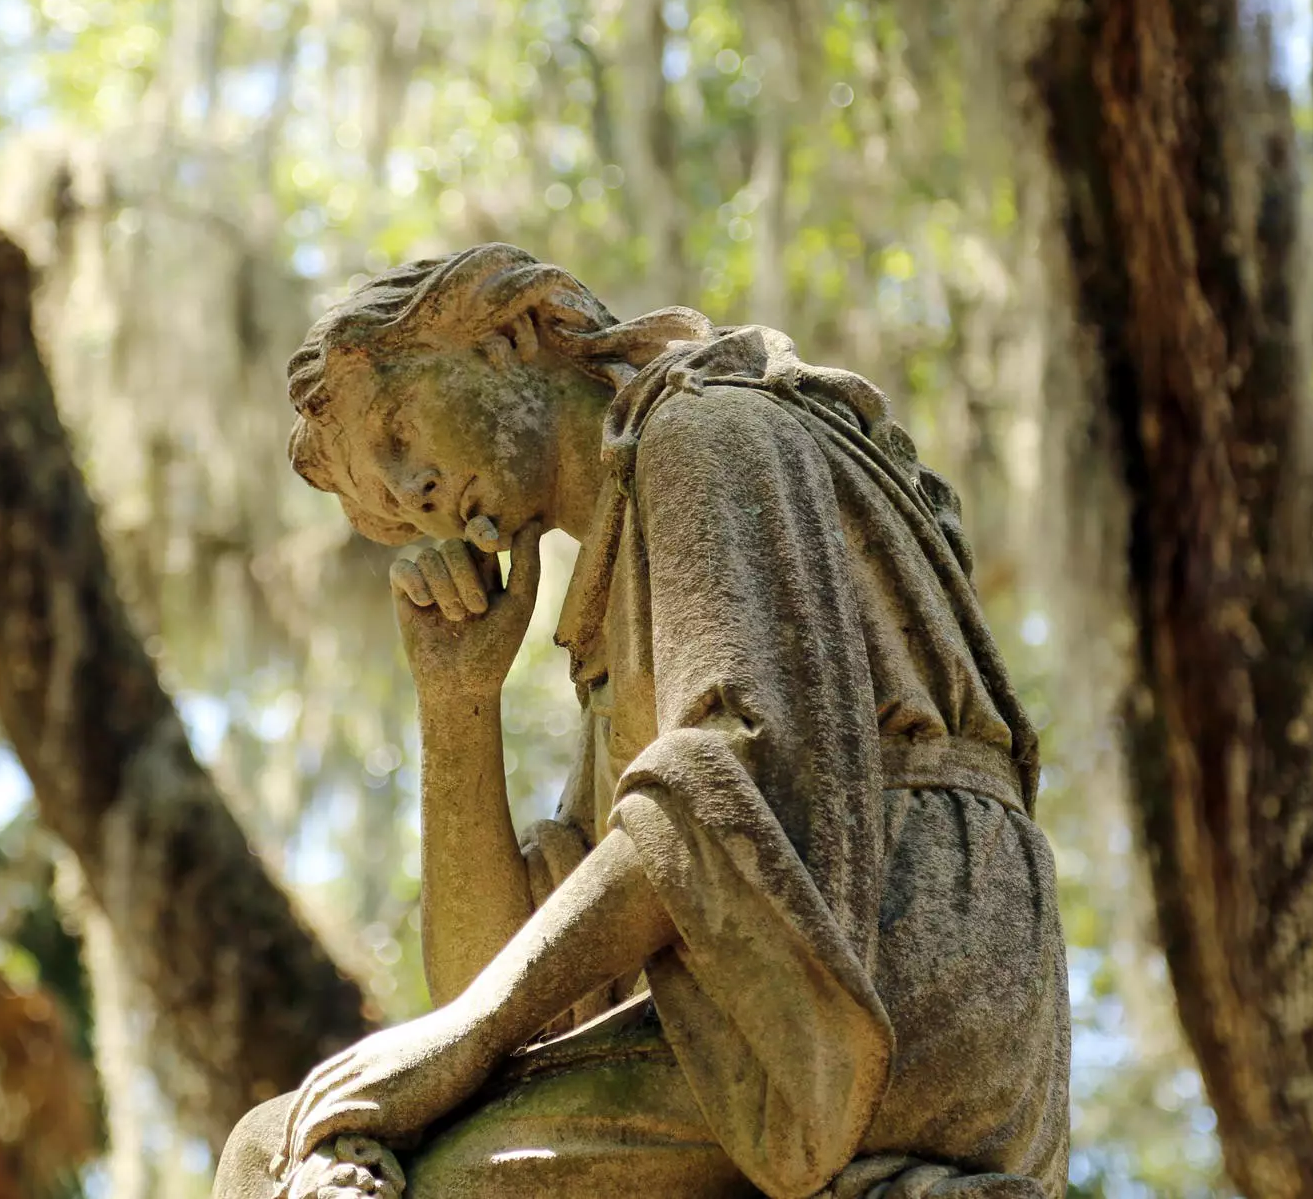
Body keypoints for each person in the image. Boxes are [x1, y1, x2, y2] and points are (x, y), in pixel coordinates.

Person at [213, 244, 1069, 1199]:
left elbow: (727, 782)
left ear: (513, 334)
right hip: (778, 990)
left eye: (400, 430)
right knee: (263, 1147)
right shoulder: (613, 614)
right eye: (387, 503)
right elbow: (485, 976)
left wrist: (469, 1034)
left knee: (441, 1182)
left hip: (902, 969)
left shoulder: (709, 431)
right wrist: (459, 704)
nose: (412, 493)